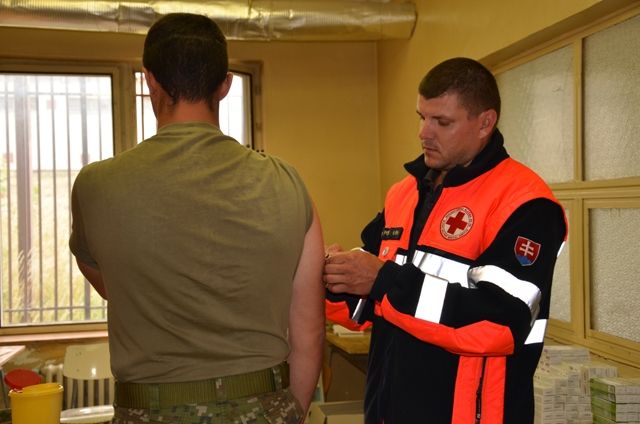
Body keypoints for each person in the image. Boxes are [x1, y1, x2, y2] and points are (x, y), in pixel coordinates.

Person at [69, 13, 325, 424]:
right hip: (264, 406)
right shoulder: (288, 183)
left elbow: (113, 285)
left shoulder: (95, 187)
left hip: (148, 411)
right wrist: (287, 413)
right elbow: (309, 331)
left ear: (149, 81)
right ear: (225, 85)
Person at [323, 57, 567, 423]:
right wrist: (334, 279)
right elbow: (370, 303)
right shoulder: (405, 193)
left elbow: (499, 324)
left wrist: (384, 280)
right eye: (422, 117)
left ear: (485, 123)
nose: (424, 132)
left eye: (442, 122)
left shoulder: (525, 203)